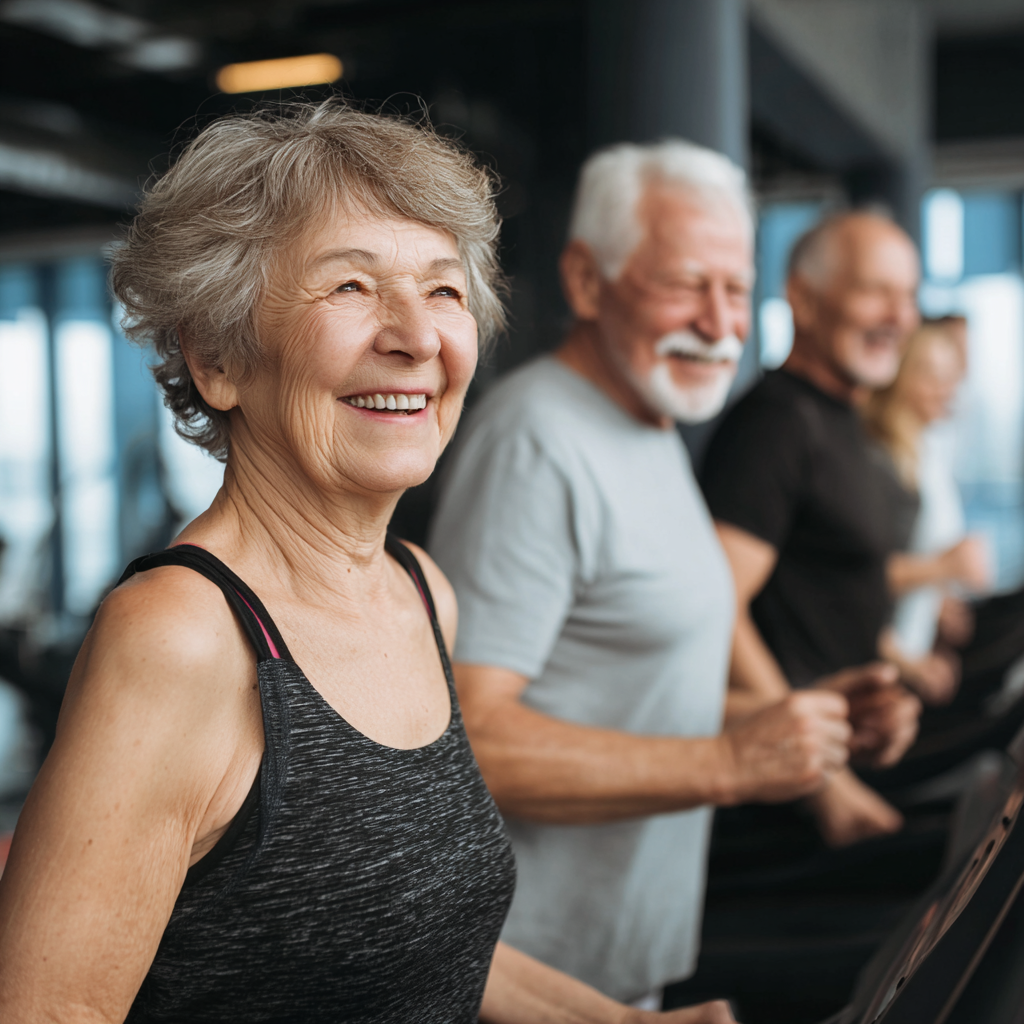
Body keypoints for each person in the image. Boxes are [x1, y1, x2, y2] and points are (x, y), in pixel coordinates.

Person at [0, 102, 735, 1024]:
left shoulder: (420, 593)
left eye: (443, 290)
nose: (417, 337)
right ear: (219, 356)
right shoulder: (181, 639)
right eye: (350, 287)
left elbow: (409, 937)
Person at [429, 143, 919, 1006]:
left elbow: (624, 693)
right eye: (686, 284)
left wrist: (805, 717)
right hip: (529, 977)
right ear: (586, 281)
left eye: (736, 289)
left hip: (623, 959)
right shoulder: (536, 441)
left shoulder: (651, 426)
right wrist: (733, 762)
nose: (721, 320)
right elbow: (470, 740)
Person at [702, 211, 926, 847]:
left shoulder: (837, 415)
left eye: (908, 295)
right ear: (801, 296)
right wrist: (822, 779)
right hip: (783, 799)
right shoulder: (776, 422)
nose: (899, 314)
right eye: (874, 290)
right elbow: (717, 605)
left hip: (838, 755)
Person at [863, 322, 990, 704]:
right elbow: (851, 582)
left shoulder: (922, 451)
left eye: (951, 377)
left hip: (909, 650)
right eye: (933, 376)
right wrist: (944, 570)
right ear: (900, 376)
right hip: (881, 668)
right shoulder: (879, 461)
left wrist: (938, 603)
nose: (947, 389)